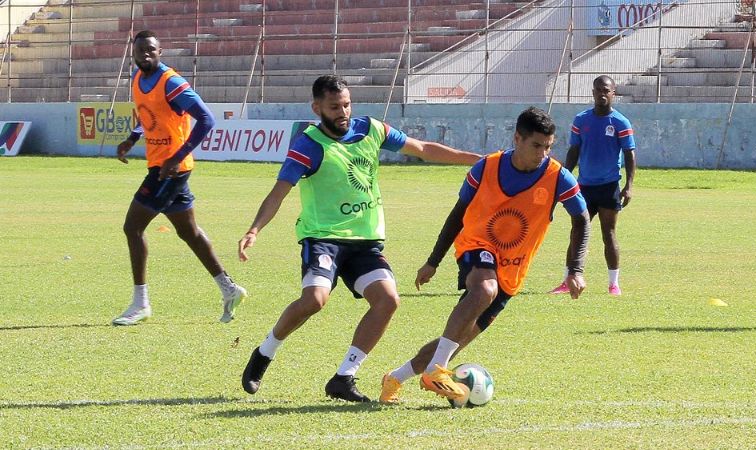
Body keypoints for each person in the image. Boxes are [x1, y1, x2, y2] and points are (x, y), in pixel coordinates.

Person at [238, 74, 481, 402]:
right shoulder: (308, 145)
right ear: (317, 107)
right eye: (334, 106)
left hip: (365, 242)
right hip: (323, 238)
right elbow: (279, 192)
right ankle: (264, 353)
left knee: (388, 300)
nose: (343, 112)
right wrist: (255, 228)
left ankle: (344, 377)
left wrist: (478, 160)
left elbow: (422, 149)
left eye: (347, 104)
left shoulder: (371, 129)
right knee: (314, 300)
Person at [379, 106, 590, 405]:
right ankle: (437, 372)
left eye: (548, 147)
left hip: (512, 269)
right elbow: (457, 214)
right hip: (476, 246)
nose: (542, 153)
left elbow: (581, 219)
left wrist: (575, 269)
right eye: (536, 146)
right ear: (518, 138)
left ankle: (395, 378)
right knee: (484, 289)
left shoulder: (558, 177)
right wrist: (433, 260)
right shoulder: (486, 168)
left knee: (456, 339)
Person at [113, 30, 246, 326]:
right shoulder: (137, 79)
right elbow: (146, 116)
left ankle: (140, 303)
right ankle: (229, 289)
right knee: (189, 233)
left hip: (171, 170)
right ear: (133, 53)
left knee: (132, 227)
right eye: (140, 50)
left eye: (151, 50)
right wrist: (131, 139)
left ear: (160, 52)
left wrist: (177, 155)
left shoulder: (171, 82)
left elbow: (206, 119)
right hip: (161, 166)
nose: (145, 54)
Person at [549, 75, 636, 296]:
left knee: (609, 233)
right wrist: (564, 177)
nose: (601, 94)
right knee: (577, 232)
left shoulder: (620, 122)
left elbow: (629, 154)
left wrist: (629, 185)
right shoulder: (581, 120)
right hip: (584, 187)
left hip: (608, 186)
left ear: (613, 93)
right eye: (598, 90)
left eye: (606, 90)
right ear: (593, 92)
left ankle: (613, 283)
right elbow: (574, 151)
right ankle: (568, 279)